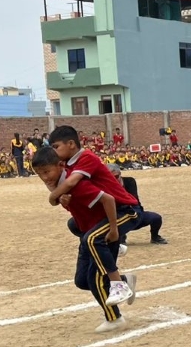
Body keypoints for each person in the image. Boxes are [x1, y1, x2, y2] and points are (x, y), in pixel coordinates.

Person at [32, 148, 139, 332]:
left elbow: (108, 200)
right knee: (82, 280)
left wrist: (114, 232)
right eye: (39, 174)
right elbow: (55, 196)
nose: (44, 178)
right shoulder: (59, 185)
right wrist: (56, 198)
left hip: (102, 231)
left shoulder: (76, 183)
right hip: (88, 230)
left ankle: (114, 318)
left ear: (60, 165)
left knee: (94, 277)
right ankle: (123, 280)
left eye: (47, 172)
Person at [45, 126, 140, 310]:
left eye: (56, 147)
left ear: (71, 144)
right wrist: (60, 196)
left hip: (124, 209)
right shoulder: (68, 165)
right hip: (104, 214)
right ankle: (122, 274)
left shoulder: (85, 157)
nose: (54, 152)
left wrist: (52, 197)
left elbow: (72, 182)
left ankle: (118, 285)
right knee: (75, 225)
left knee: (92, 239)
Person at [107, 163, 167, 245]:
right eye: (111, 177)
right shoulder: (106, 186)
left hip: (135, 213)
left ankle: (155, 237)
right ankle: (121, 238)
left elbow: (134, 199)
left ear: (120, 174)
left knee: (156, 218)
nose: (114, 179)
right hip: (120, 217)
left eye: (116, 177)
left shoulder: (129, 181)